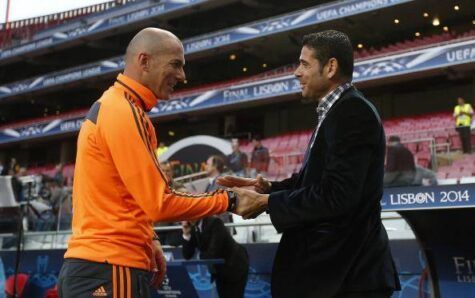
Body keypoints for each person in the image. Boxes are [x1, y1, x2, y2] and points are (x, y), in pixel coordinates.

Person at [218, 30, 400, 298]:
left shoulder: (352, 112)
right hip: (336, 276)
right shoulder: (337, 111)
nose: (296, 72)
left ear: (330, 67)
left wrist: (267, 203)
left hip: (348, 278)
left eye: (304, 63)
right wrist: (267, 190)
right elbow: (317, 183)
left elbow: (338, 195)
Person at [58, 28, 234, 298]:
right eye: (175, 64)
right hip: (111, 267)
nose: (182, 76)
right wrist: (230, 200)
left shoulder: (116, 105)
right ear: (144, 61)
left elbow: (124, 195)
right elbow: (159, 203)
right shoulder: (124, 111)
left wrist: (149, 238)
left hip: (98, 266)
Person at [181, 217, 248, 298]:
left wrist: (200, 255)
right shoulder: (193, 228)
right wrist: (186, 234)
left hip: (235, 265)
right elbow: (187, 255)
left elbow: (213, 252)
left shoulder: (215, 222)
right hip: (219, 270)